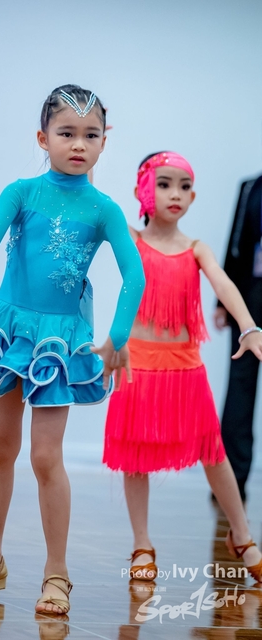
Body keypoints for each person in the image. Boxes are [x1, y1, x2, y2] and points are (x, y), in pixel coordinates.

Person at [0, 85, 145, 614]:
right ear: (43, 138)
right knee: (0, 448)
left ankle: (57, 573)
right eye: (67, 133)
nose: (78, 144)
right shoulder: (20, 192)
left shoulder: (104, 209)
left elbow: (135, 274)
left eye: (91, 135)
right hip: (10, 331)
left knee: (45, 457)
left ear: (104, 142)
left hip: (58, 343)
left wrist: (118, 337)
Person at [103, 151, 262, 584]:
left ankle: (242, 534)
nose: (175, 194)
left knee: (213, 451)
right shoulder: (131, 240)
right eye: (164, 183)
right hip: (137, 363)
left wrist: (249, 327)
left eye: (185, 186)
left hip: (184, 367)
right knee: (135, 455)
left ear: (193, 197)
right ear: (142, 190)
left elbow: (224, 284)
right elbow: (95, 203)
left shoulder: (196, 249)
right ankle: (142, 544)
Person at [214, 173, 262, 503]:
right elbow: (237, 241)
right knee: (240, 388)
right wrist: (222, 303)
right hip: (250, 297)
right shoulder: (251, 187)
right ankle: (231, 482)